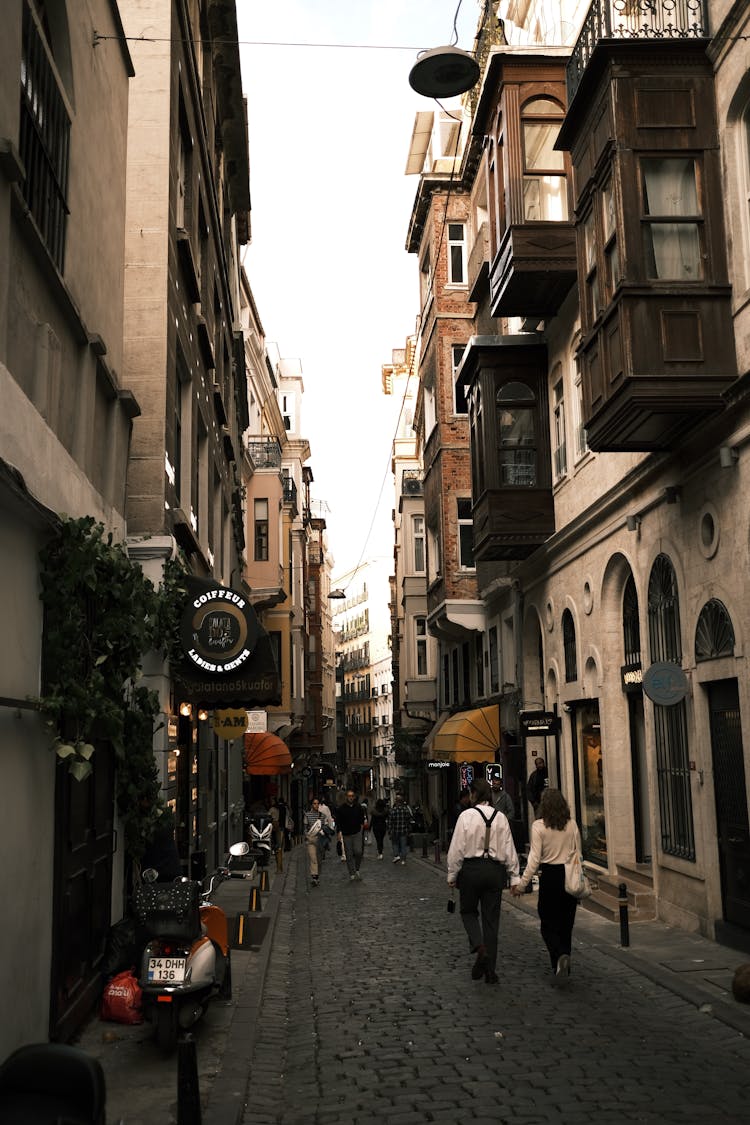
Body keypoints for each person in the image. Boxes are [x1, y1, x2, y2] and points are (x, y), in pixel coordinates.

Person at [447, 777, 520, 985]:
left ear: (474, 795)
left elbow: (457, 848)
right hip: (495, 871)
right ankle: (491, 971)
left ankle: (480, 947)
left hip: (471, 870)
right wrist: (514, 876)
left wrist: (452, 874)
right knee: (491, 921)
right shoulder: (501, 817)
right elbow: (509, 848)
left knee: (468, 911)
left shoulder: (466, 816)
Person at [511, 788, 582, 985]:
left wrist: (521, 884)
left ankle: (558, 956)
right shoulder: (572, 825)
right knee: (566, 924)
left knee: (547, 923)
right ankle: (564, 957)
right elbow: (578, 854)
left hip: (550, 877)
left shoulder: (538, 827)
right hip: (569, 875)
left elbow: (534, 859)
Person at [334, 789, 366, 880]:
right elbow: (338, 822)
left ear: (354, 797)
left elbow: (362, 818)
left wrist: (361, 827)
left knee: (358, 851)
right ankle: (352, 872)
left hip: (357, 832)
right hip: (346, 833)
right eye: (349, 796)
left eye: (352, 796)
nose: (351, 798)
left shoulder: (358, 807)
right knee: (349, 853)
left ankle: (357, 869)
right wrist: (339, 832)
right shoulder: (341, 808)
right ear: (346, 797)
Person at [302, 797, 326, 887]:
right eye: (314, 803)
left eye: (317, 803)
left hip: (319, 840)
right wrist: (307, 836)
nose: (316, 805)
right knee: (313, 859)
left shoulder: (322, 815)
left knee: (319, 860)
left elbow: (324, 827)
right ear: (312, 805)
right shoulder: (307, 815)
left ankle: (317, 875)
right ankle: (314, 877)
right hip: (311, 839)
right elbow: (305, 828)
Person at [388, 793, 413, 865]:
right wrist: (408, 829)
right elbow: (409, 820)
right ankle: (403, 860)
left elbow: (390, 822)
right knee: (403, 845)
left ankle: (396, 856)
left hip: (395, 831)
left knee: (395, 844)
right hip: (404, 831)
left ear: (396, 801)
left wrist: (390, 831)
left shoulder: (393, 811)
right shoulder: (405, 810)